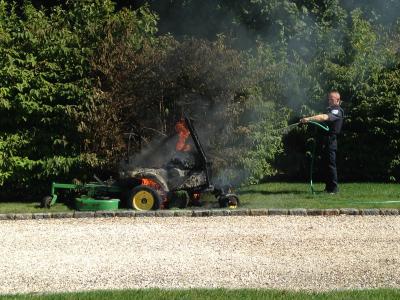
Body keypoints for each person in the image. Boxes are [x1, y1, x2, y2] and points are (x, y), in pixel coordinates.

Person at [300, 90, 344, 194]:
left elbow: (323, 117)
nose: (329, 101)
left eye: (331, 99)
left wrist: (308, 119)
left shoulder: (337, 111)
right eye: (329, 99)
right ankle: (328, 188)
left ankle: (334, 189)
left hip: (331, 140)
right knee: (326, 165)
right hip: (325, 140)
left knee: (331, 165)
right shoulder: (330, 110)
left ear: (338, 100)